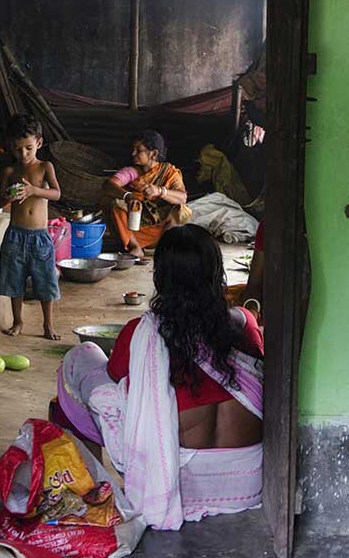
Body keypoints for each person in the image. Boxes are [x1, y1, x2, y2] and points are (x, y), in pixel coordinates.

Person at [53, 224, 264, 529]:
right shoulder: (245, 323)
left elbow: (114, 376)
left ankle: (90, 493)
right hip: (247, 483)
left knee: (83, 359)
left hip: (174, 485)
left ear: (160, 277)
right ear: (217, 273)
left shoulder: (143, 333)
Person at [0, 114, 62, 340]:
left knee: (45, 281)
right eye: (17, 149)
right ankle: (18, 321)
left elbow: (56, 193)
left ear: (39, 143)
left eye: (28, 148)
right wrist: (8, 196)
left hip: (40, 237)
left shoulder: (45, 167)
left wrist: (34, 190)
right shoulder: (9, 172)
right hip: (15, 235)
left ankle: (48, 324)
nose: (23, 154)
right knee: (15, 280)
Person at [102, 130, 192, 258]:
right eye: (133, 149)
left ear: (153, 154)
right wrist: (128, 196)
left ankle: (164, 248)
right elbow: (108, 185)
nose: (133, 153)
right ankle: (135, 247)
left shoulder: (169, 172)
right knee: (113, 204)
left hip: (161, 232)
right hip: (132, 232)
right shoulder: (131, 172)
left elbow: (182, 198)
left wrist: (160, 191)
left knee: (179, 209)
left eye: (138, 150)